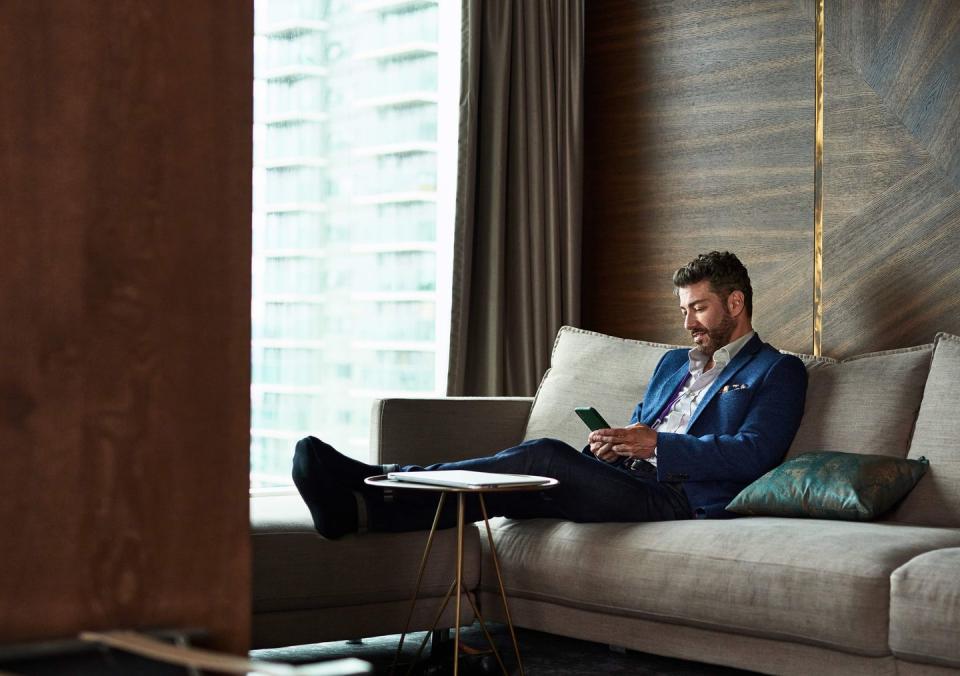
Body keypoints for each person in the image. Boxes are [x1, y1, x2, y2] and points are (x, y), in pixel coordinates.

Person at [293, 251, 808, 539]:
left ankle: (382, 478)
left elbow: (755, 453)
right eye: (683, 310)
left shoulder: (776, 370)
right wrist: (613, 443)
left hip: (678, 498)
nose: (687, 321)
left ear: (735, 302)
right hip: (623, 477)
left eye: (698, 308)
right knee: (523, 484)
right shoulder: (673, 362)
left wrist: (655, 446)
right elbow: (640, 422)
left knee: (543, 456)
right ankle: (365, 508)